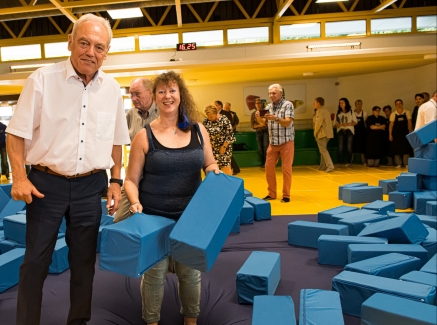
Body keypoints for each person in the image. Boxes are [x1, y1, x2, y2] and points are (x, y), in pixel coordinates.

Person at [5, 13, 130, 325]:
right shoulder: (42, 79)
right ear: (70, 42)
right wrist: (19, 176)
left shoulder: (112, 89)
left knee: (84, 262)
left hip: (92, 187)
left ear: (107, 51)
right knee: (35, 261)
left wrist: (115, 181)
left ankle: (79, 321)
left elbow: (116, 140)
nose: (91, 52)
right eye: (84, 43)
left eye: (99, 47)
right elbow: (15, 133)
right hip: (47, 184)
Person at [124, 71, 219, 325]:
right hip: (155, 217)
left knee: (191, 275)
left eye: (172, 90)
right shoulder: (144, 136)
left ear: (181, 95)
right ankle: (152, 321)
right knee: (154, 276)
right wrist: (135, 202)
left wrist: (214, 172)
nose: (168, 96)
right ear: (155, 97)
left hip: (191, 218)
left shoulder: (199, 131)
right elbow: (131, 180)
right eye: (162, 91)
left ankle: (191, 321)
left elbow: (209, 163)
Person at [114, 77, 159, 223]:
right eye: (131, 94)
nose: (133, 98)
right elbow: (119, 140)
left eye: (137, 94)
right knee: (119, 220)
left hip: (158, 177)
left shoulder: (163, 112)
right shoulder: (131, 115)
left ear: (151, 93)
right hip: (134, 176)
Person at [256, 83, 294, 203]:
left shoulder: (288, 105)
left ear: (280, 93)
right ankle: (271, 193)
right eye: (270, 93)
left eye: (274, 93)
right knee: (268, 167)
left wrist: (276, 118)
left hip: (286, 141)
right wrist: (258, 116)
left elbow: (287, 122)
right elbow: (263, 123)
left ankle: (286, 195)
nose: (271, 95)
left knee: (286, 169)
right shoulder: (268, 106)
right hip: (273, 143)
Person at [203, 104, 235, 175]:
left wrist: (224, 146)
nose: (209, 118)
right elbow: (204, 134)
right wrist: (208, 145)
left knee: (226, 164)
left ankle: (228, 184)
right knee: (214, 167)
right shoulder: (206, 121)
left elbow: (230, 134)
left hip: (224, 146)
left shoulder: (224, 119)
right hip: (212, 148)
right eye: (208, 116)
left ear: (216, 113)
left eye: (211, 116)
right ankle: (216, 184)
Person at [389, 99, 412, 168]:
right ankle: (398, 163)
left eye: (400, 103)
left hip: (405, 133)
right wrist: (390, 134)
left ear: (402, 104)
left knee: (406, 148)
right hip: (396, 134)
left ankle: (406, 163)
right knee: (397, 148)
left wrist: (410, 132)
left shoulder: (407, 112)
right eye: (397, 104)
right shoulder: (393, 114)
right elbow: (391, 125)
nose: (398, 105)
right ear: (395, 105)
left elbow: (410, 123)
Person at [313, 97, 334, 172]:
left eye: (314, 103)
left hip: (322, 134)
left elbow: (318, 124)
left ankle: (330, 166)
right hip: (328, 134)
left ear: (318, 103)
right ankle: (322, 166)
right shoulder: (326, 110)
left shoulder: (320, 111)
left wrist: (315, 133)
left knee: (323, 150)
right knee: (323, 150)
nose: (314, 104)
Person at [334, 98, 357, 167]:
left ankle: (349, 162)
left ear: (346, 103)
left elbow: (355, 122)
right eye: (340, 103)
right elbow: (335, 123)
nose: (341, 104)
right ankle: (339, 162)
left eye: (342, 102)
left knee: (349, 147)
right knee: (340, 147)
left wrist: (347, 124)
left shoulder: (351, 112)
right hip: (341, 130)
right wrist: (338, 125)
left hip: (349, 130)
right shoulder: (338, 113)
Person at [251, 98, 269, 167]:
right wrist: (260, 125)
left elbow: (266, 124)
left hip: (265, 131)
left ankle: (267, 163)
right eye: (256, 103)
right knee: (260, 148)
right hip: (258, 132)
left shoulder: (265, 112)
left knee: (265, 147)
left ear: (262, 104)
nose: (258, 104)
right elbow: (252, 125)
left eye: (259, 103)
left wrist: (261, 125)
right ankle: (263, 162)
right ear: (255, 105)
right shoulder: (253, 114)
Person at [223, 102, 240, 175]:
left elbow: (236, 122)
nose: (226, 108)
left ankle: (235, 169)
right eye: (225, 107)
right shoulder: (222, 114)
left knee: (228, 154)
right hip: (225, 136)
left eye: (227, 107)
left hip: (230, 135)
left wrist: (232, 129)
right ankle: (235, 169)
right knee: (228, 154)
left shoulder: (233, 114)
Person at [351, 99, 367, 165]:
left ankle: (364, 162)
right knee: (352, 147)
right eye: (358, 104)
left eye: (360, 104)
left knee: (363, 147)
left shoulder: (365, 113)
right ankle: (350, 161)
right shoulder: (352, 113)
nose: (359, 105)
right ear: (355, 105)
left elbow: (365, 123)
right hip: (354, 133)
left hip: (362, 133)